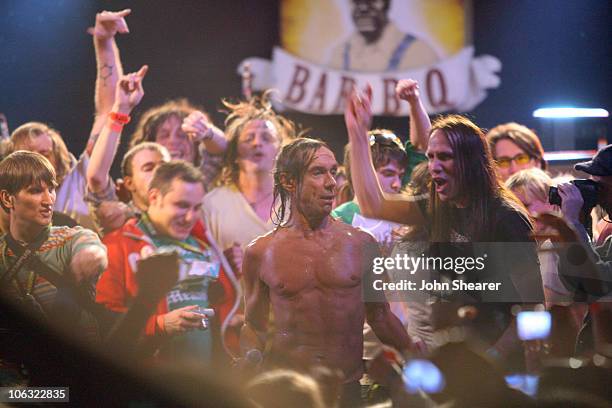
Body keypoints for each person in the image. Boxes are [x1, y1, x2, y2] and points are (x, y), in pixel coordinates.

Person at [345, 85, 544, 361]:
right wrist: (357, 134)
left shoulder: (506, 218)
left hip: (499, 369)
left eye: (445, 157)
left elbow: (533, 307)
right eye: (431, 157)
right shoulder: (438, 207)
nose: (434, 166)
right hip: (454, 361)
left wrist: (491, 360)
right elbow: (372, 204)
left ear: (471, 162)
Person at [240, 138, 412, 406]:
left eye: (333, 171)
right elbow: (253, 325)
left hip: (348, 388)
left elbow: (380, 316)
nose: (332, 183)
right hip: (289, 392)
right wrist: (251, 359)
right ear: (288, 181)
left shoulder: (362, 243)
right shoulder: (260, 252)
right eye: (318, 172)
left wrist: (414, 353)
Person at [96, 161, 240, 362]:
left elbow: (221, 310)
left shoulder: (203, 247)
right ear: (154, 197)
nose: (190, 217)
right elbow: (102, 324)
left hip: (202, 383)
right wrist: (161, 324)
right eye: (181, 205)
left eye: (196, 207)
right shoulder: (116, 245)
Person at [0, 151, 107, 342]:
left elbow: (91, 247)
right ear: (8, 199)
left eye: (51, 189)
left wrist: (93, 254)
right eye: (35, 191)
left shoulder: (71, 237)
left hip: (77, 366)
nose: (48, 200)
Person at [202, 92, 296, 276]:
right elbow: (200, 271)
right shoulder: (211, 204)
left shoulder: (297, 201)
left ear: (279, 151)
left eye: (266, 138)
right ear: (235, 154)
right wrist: (223, 266)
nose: (257, 143)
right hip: (236, 305)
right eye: (248, 138)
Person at [328, 0, 439, 72]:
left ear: (387, 4)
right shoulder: (340, 54)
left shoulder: (418, 51)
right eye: (356, 1)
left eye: (373, 1)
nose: (363, 8)